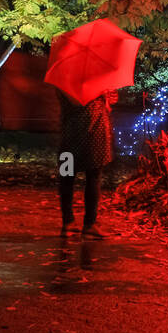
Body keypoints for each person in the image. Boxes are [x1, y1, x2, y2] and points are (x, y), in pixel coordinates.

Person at [56, 88, 115, 238]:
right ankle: (68, 222)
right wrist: (100, 92)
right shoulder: (65, 79)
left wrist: (108, 98)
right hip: (72, 134)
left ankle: (90, 224)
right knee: (67, 176)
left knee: (94, 176)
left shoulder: (96, 80)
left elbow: (106, 105)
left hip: (95, 133)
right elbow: (77, 100)